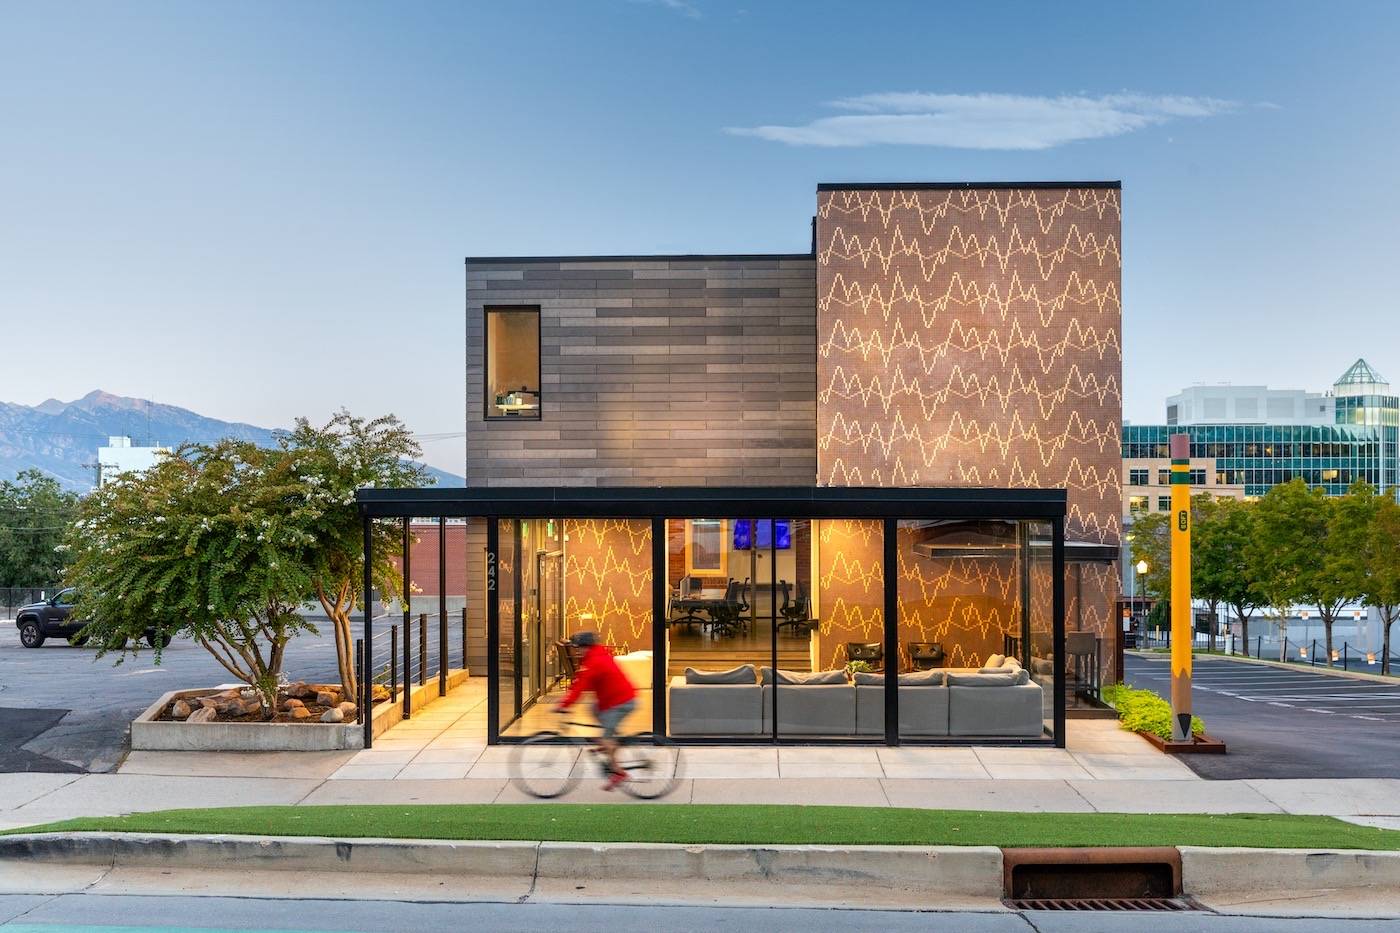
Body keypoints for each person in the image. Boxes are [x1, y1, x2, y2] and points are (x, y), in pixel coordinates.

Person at [554, 631, 637, 790]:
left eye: (579, 648)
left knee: (607, 737)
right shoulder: (596, 657)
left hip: (620, 701)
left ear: (587, 647)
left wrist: (564, 705)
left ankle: (619, 772)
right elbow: (582, 682)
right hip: (611, 700)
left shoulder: (594, 662)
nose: (577, 651)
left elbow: (580, 687)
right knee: (593, 709)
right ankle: (609, 739)